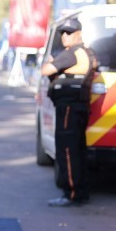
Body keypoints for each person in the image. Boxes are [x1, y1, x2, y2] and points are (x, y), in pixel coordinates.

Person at [41, 18, 98, 207]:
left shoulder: (71, 53)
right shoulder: (87, 52)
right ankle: (80, 191)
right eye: (63, 33)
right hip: (78, 106)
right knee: (77, 149)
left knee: (67, 149)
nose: (65, 36)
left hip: (68, 108)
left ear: (78, 34)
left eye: (69, 33)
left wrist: (53, 63)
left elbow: (45, 70)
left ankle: (71, 193)